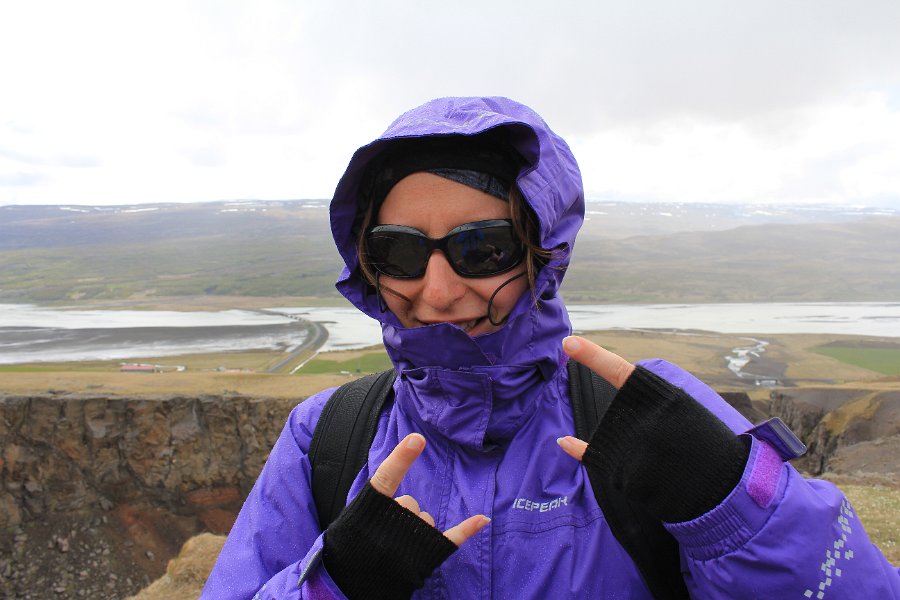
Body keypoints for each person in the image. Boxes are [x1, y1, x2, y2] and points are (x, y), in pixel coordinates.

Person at [201, 97, 899, 599]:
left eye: (482, 249)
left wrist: (733, 511)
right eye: (399, 252)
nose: (437, 290)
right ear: (367, 265)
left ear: (543, 256)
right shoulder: (326, 437)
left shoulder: (647, 411)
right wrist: (335, 586)